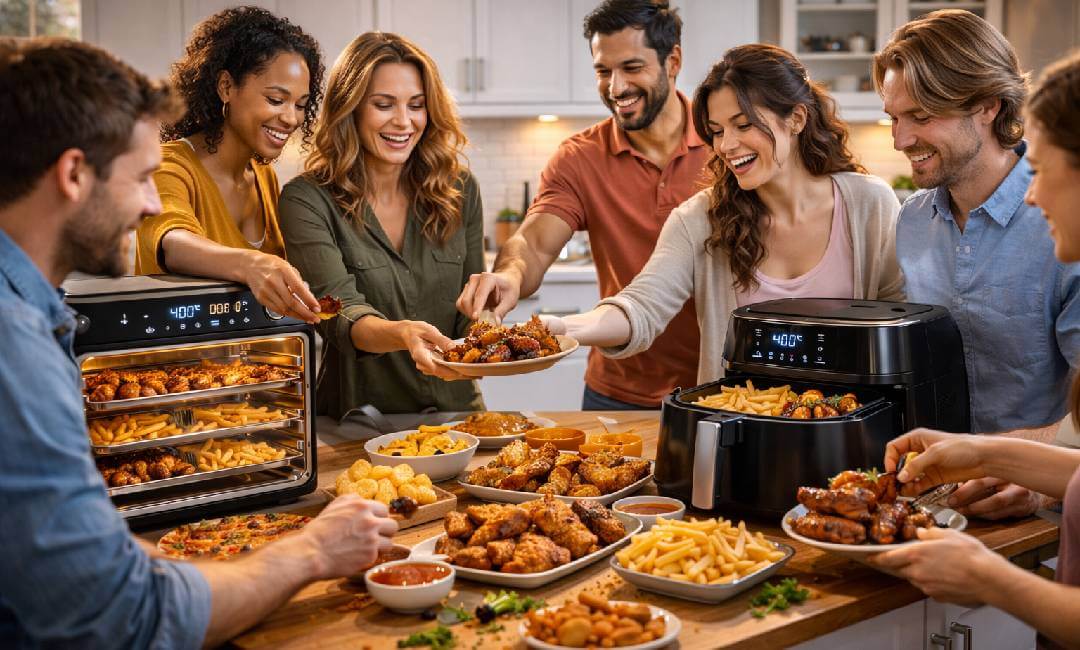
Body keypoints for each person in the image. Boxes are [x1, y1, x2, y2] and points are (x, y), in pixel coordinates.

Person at [0, 38, 397, 648]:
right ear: (74, 174)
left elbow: (73, 548)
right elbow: (126, 617)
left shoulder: (29, 313)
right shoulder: (16, 350)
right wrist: (311, 550)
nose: (151, 203)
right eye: (139, 179)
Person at [541, 44, 903, 380]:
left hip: (850, 430)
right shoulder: (699, 219)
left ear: (796, 118)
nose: (726, 146)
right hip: (737, 431)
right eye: (716, 131)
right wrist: (566, 328)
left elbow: (899, 322)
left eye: (744, 125)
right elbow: (642, 305)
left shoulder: (869, 204)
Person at [877, 57, 1080, 639]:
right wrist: (978, 453)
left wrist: (994, 578)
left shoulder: (1054, 232)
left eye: (920, 115)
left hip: (1039, 525)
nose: (900, 138)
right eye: (894, 117)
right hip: (946, 506)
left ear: (987, 108)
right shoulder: (912, 222)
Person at [455, 0, 708, 410]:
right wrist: (509, 277)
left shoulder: (727, 144)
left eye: (631, 67)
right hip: (618, 391)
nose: (615, 88)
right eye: (602, 71)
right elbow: (534, 243)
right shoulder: (580, 157)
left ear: (672, 60)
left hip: (719, 387)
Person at [279, 32, 482, 417]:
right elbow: (338, 315)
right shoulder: (306, 200)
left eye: (417, 105)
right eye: (383, 104)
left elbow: (469, 312)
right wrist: (405, 335)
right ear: (351, 108)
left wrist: (490, 318)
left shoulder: (459, 189)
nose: (404, 122)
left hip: (460, 415)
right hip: (361, 421)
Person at [135, 6, 323, 324]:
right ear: (226, 87)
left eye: (301, 105)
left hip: (251, 370)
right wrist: (252, 264)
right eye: (276, 100)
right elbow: (173, 243)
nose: (291, 118)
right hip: (175, 372)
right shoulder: (167, 166)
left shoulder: (264, 178)